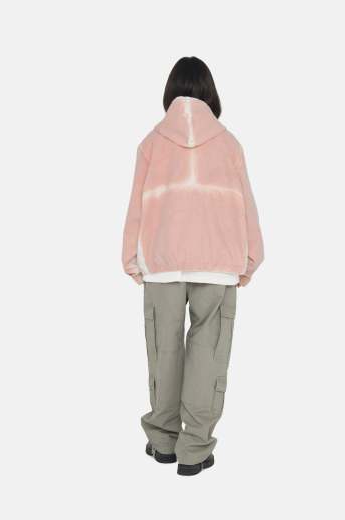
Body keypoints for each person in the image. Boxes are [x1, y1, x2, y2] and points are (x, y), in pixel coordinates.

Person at [122, 56, 264, 476]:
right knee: (209, 353)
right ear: (210, 92)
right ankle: (195, 449)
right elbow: (246, 204)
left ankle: (163, 442)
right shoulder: (229, 144)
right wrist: (251, 258)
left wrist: (131, 257)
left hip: (162, 263)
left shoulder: (151, 143)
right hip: (217, 263)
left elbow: (135, 206)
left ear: (170, 92)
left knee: (164, 349)